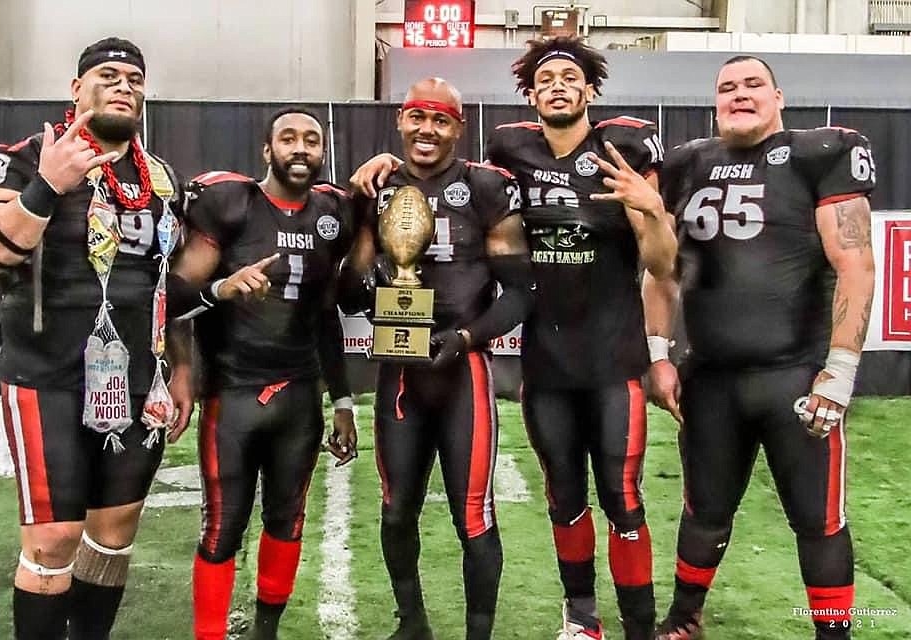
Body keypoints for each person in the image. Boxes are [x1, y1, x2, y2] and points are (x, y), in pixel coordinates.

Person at [352, 38, 676, 640]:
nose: (557, 84)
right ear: (530, 92)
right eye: (545, 77)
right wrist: (374, 174)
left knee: (623, 498)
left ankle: (640, 626)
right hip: (546, 359)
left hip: (611, 352)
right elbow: (427, 172)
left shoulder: (621, 147)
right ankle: (582, 620)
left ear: (589, 90)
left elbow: (664, 266)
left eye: (569, 76)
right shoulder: (510, 151)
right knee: (564, 497)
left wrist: (652, 208)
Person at [645, 55, 876, 640]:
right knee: (703, 511)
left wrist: (840, 369)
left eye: (753, 85)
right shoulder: (687, 164)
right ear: (713, 101)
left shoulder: (816, 154)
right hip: (711, 376)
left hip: (794, 374)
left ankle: (833, 633)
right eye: (727, 87)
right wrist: (658, 353)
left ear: (779, 97)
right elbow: (660, 272)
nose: (739, 94)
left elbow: (855, 264)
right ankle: (683, 620)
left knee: (817, 520)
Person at [0, 37, 183, 639]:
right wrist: (48, 185)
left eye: (135, 79)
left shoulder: (161, 177)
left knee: (113, 534)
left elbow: (167, 282)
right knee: (54, 537)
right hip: (47, 373)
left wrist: (181, 368)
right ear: (76, 89)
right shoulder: (28, 154)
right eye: (109, 75)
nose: (124, 87)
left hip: (137, 379)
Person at [340, 77, 535, 640]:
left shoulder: (484, 187)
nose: (427, 129)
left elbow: (521, 292)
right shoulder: (373, 186)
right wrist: (362, 239)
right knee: (397, 508)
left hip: (460, 369)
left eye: (441, 119)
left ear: (458, 127)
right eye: (417, 117)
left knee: (473, 516)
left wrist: (468, 339)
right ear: (400, 120)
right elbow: (349, 293)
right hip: (399, 370)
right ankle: (413, 624)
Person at [165, 107, 358, 640]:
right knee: (222, 527)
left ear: (324, 152)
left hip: (298, 392)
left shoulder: (332, 212)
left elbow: (326, 315)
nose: (301, 148)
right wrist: (219, 290)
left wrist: (342, 401)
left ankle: (265, 632)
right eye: (289, 138)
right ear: (266, 151)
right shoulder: (232, 203)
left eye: (312, 140)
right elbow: (172, 294)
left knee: (287, 520)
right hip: (234, 392)